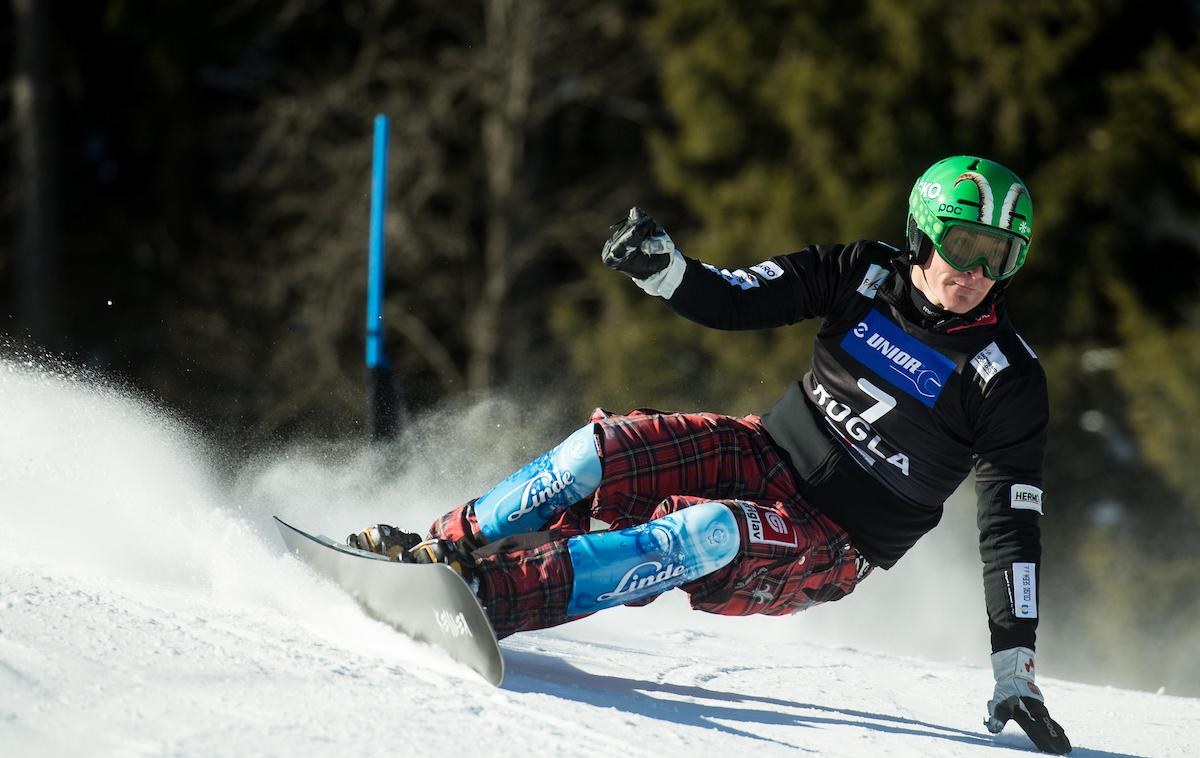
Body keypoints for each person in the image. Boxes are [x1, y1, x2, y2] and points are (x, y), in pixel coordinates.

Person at [350, 156, 1071, 754]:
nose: (975, 269)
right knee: (604, 450)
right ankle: (436, 547)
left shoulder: (1006, 375)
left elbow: (1011, 527)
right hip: (761, 449)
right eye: (962, 244)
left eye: (998, 255)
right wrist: (669, 272)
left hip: (834, 540)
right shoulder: (864, 273)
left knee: (707, 531)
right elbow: (739, 298)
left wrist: (1016, 667)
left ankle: (485, 595)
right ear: (920, 233)